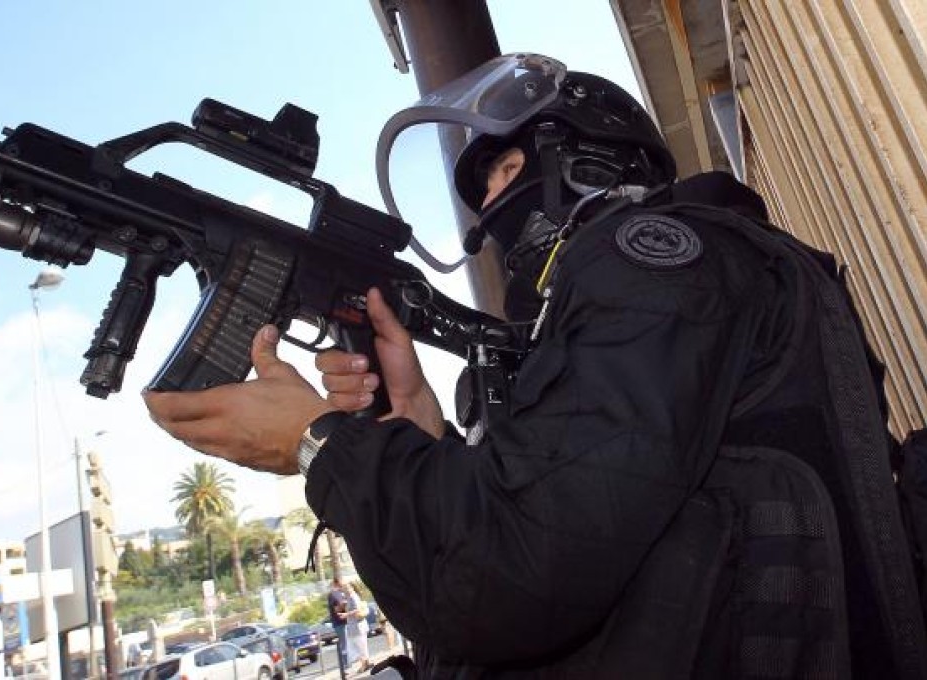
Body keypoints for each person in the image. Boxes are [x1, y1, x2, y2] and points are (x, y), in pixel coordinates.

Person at [144, 53, 927, 677]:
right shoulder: (685, 281)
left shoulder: (655, 259)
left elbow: (508, 578)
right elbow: (579, 515)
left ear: (585, 156)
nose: (490, 212)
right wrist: (422, 429)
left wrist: (322, 445)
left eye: (506, 171)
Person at [345, 582, 373, 674]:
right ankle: (366, 663)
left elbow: (357, 609)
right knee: (361, 646)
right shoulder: (350, 597)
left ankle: (364, 665)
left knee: (359, 646)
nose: (346, 589)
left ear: (352, 588)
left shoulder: (353, 597)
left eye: (348, 587)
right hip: (356, 626)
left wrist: (346, 614)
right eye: (345, 588)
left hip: (357, 626)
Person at [327, 577, 351, 671]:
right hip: (339, 622)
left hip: (344, 621)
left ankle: (347, 662)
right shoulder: (333, 594)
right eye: (343, 582)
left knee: (346, 642)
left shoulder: (340, 593)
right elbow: (336, 609)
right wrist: (345, 603)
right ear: (337, 583)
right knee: (344, 643)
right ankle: (345, 663)